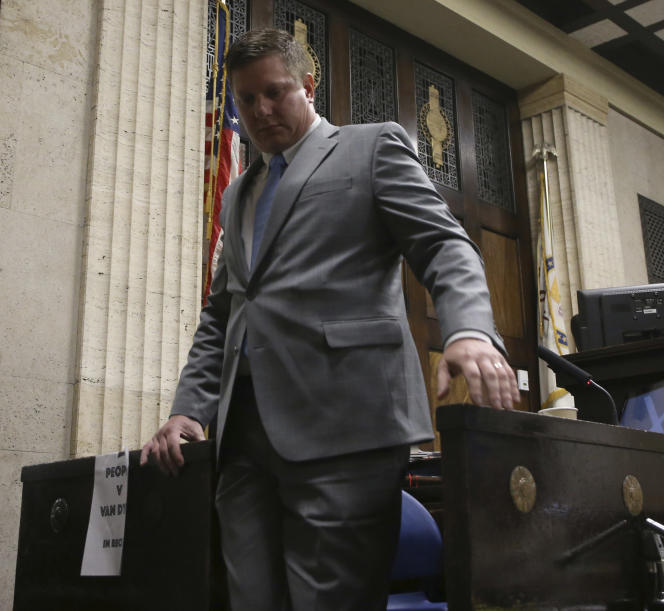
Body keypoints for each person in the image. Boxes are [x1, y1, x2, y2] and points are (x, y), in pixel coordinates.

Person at [140, 27, 519, 610]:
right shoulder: (239, 193)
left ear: (308, 86)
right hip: (242, 440)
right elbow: (222, 315)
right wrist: (188, 410)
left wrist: (467, 329)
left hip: (346, 429)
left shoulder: (370, 149)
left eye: (276, 92)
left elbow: (444, 246)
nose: (261, 110)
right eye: (247, 99)